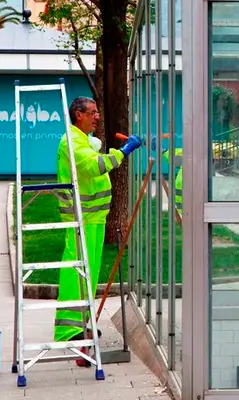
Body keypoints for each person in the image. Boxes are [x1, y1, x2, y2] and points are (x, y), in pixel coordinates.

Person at [54, 97, 143, 365]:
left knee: (88, 274)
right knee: (76, 274)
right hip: (81, 220)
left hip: (93, 218)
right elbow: (95, 166)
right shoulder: (71, 141)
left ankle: (82, 325)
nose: (97, 117)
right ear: (78, 114)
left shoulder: (82, 140)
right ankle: (68, 331)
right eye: (92, 112)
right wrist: (124, 151)